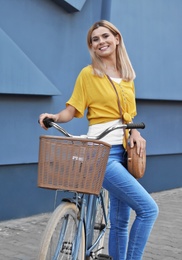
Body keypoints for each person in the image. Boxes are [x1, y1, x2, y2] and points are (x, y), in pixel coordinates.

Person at [38, 20, 158, 260]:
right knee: (148, 209)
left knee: (120, 222)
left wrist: (135, 131)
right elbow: (71, 110)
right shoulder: (88, 74)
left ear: (116, 39)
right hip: (100, 153)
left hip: (124, 153)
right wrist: (55, 116)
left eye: (105, 36)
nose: (101, 42)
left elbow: (129, 115)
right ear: (91, 46)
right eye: (95, 39)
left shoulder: (127, 77)